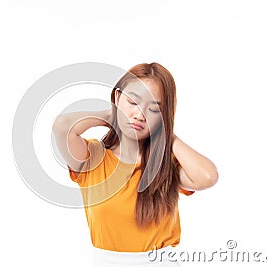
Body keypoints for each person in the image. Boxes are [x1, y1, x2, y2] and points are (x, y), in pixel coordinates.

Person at [52, 62, 218, 266]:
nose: (140, 115)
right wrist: (112, 115)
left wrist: (166, 134)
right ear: (117, 97)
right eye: (133, 102)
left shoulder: (166, 166)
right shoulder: (93, 160)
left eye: (154, 109)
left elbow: (208, 177)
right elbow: (62, 126)